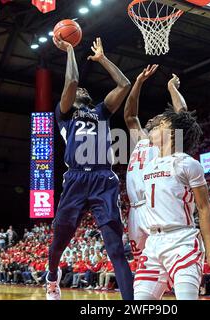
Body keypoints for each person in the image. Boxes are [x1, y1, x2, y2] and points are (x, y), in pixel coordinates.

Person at [46, 35, 133, 300]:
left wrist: (102, 59)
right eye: (76, 92)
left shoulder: (101, 111)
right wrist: (71, 49)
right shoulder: (64, 114)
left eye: (85, 90)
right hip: (75, 179)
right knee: (60, 240)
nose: (81, 89)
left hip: (103, 178)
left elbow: (124, 84)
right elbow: (72, 81)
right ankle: (52, 277)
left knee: (115, 247)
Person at [133, 109, 210, 300]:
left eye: (161, 125)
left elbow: (204, 209)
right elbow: (131, 119)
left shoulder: (188, 164)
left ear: (173, 132)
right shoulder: (150, 163)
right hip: (153, 243)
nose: (154, 127)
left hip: (181, 241)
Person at [124, 65, 188, 262]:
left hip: (154, 206)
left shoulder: (167, 144)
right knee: (141, 262)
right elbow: (130, 116)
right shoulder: (142, 139)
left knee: (163, 258)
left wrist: (172, 88)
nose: (152, 119)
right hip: (135, 209)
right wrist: (138, 82)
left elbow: (183, 116)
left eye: (159, 120)